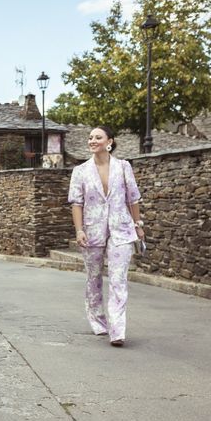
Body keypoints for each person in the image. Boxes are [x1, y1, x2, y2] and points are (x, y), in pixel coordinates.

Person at [68, 125, 144, 347]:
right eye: (90, 137)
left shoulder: (123, 167)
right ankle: (97, 320)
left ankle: (117, 329)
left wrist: (138, 224)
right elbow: (76, 203)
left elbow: (133, 198)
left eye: (97, 137)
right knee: (93, 277)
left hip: (121, 229)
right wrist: (79, 229)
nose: (92, 140)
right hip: (92, 231)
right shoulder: (80, 171)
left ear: (109, 141)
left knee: (119, 279)